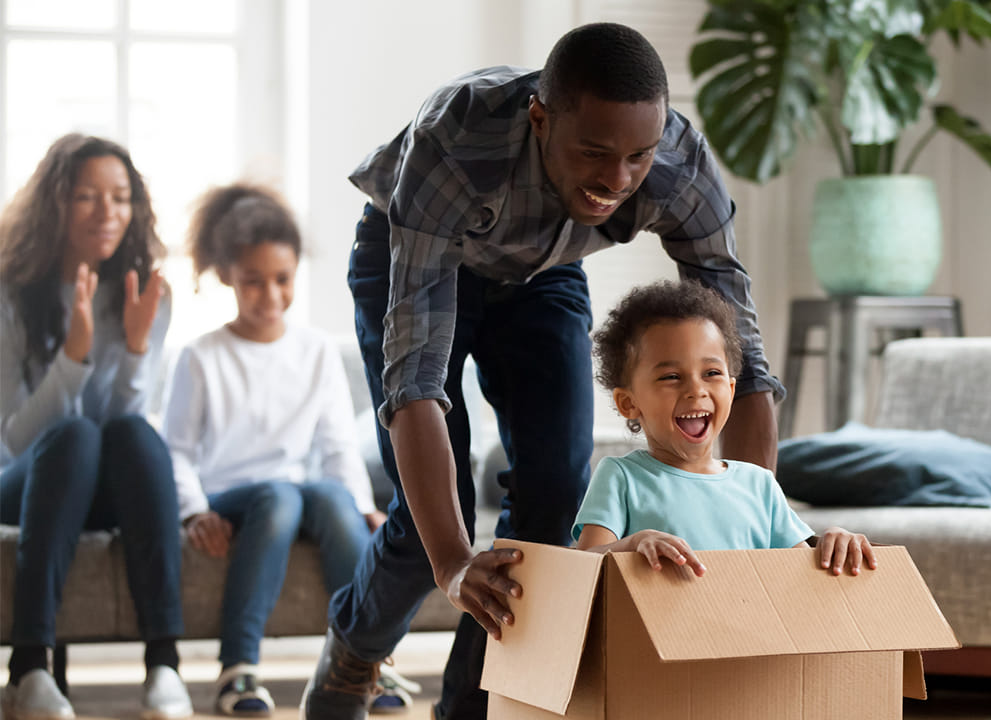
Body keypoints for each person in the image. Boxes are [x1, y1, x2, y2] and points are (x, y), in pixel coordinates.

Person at [303, 23, 783, 720]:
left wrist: (755, 538)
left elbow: (743, 354)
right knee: (431, 524)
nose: (616, 180)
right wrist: (454, 563)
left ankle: (474, 705)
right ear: (539, 119)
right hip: (417, 257)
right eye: (593, 152)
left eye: (636, 158)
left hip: (543, 274)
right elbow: (416, 383)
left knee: (558, 490)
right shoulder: (456, 143)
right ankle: (354, 650)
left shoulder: (680, 166)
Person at [159, 183, 418, 716]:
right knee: (281, 496)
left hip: (298, 496)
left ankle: (366, 662)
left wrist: (360, 504)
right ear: (227, 275)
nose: (270, 294)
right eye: (253, 282)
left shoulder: (316, 350)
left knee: (326, 496)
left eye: (282, 279)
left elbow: (335, 443)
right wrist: (194, 512)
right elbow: (176, 451)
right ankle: (238, 672)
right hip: (232, 496)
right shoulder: (200, 357)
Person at [0, 134, 191, 720]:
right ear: (54, 203)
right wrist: (74, 358)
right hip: (24, 484)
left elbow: (123, 431)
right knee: (75, 436)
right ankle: (29, 668)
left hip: (105, 484)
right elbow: (16, 440)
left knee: (135, 436)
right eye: (87, 197)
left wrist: (134, 350)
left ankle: (164, 662)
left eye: (120, 197)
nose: (107, 212)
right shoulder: (11, 293)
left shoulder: (147, 296)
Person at [573, 280, 877, 576]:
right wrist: (632, 545)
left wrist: (834, 541)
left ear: (731, 390)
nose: (696, 389)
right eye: (670, 377)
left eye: (711, 373)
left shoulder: (758, 485)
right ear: (628, 403)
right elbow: (583, 567)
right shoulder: (621, 478)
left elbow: (801, 576)